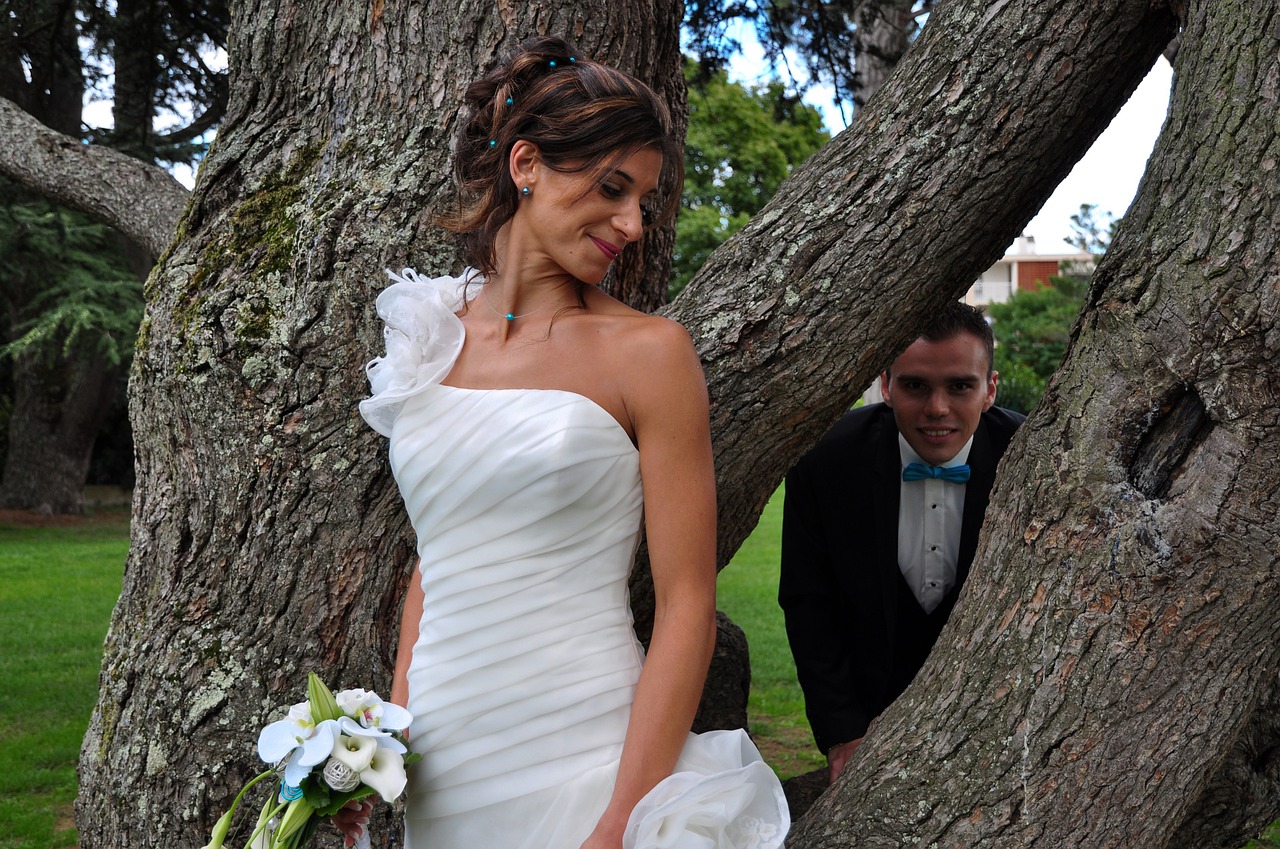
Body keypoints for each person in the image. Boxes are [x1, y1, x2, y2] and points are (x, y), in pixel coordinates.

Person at [351, 36, 788, 849]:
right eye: (612, 187)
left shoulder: (650, 354)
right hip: (446, 766)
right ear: (526, 164)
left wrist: (621, 824)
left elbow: (687, 602)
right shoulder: (431, 333)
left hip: (582, 754)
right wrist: (388, 741)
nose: (631, 223)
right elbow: (431, 564)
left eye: (643, 202)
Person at [779, 302, 1025, 783]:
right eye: (915, 386)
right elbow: (810, 604)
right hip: (870, 715)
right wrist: (841, 733)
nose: (938, 408)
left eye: (960, 386)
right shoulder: (825, 459)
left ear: (989, 389)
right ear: (886, 386)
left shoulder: (1035, 454)